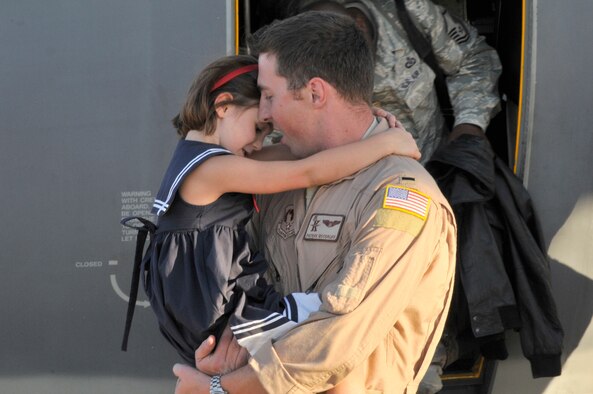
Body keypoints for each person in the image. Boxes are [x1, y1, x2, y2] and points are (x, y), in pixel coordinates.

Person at [173, 11, 456, 393]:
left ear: (316, 93)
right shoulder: (285, 177)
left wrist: (221, 389)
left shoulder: (400, 195)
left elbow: (336, 340)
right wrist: (224, 348)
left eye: (270, 96)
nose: (265, 114)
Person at [120, 52, 421, 385]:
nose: (260, 142)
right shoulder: (214, 169)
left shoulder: (202, 156)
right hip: (219, 309)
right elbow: (306, 171)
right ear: (223, 105)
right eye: (259, 128)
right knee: (319, 329)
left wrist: (362, 125)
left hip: (199, 306)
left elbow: (307, 151)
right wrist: (386, 144)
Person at [298, 0, 503, 164]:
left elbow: (474, 56)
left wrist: (470, 123)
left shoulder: (409, 12)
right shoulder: (301, 62)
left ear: (360, 24)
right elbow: (288, 137)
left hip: (444, 163)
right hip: (375, 191)